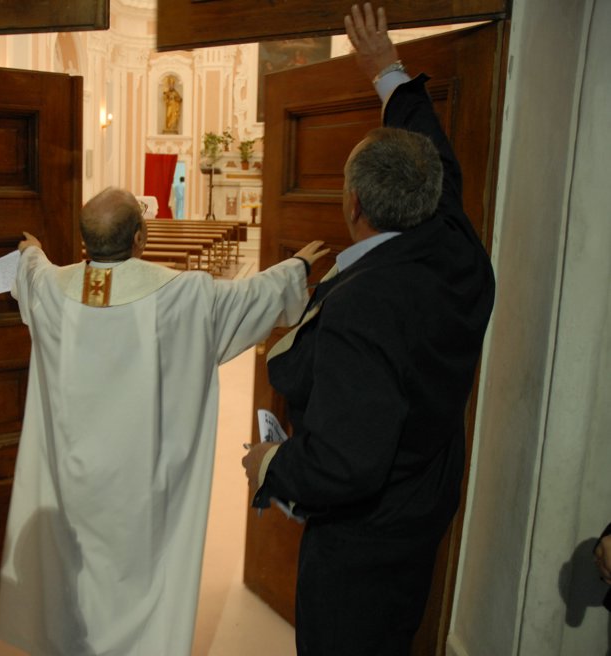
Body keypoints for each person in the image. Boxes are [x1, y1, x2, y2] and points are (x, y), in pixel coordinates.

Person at [242, 4, 495, 655]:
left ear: (351, 203)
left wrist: (271, 463)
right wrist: (387, 71)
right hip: (425, 493)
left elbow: (345, 464)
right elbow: (433, 156)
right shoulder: (455, 246)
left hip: (366, 538)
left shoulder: (364, 309)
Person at [0, 186, 329, 655]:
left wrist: (31, 251)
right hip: (140, 485)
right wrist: (299, 268)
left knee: (75, 567)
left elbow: (33, 271)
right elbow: (256, 296)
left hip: (72, 483)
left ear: (86, 244)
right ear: (140, 238)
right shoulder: (186, 295)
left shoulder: (53, 288)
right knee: (138, 573)